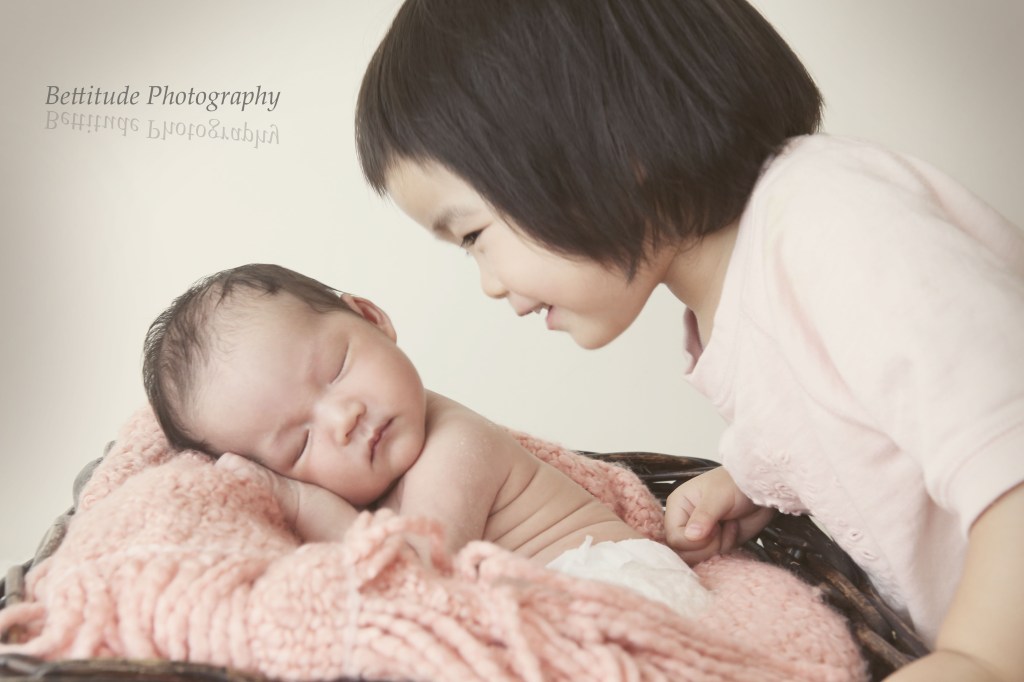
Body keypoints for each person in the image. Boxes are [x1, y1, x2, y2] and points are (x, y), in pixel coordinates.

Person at [354, 1, 1024, 680]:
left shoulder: (828, 224)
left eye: (472, 236)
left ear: (612, 147)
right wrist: (759, 478)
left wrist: (983, 658)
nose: (491, 285)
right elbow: (869, 414)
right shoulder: (734, 303)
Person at [141, 263, 710, 619]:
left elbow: (410, 576)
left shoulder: (454, 446)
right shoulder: (377, 481)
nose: (343, 418)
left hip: (622, 596)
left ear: (371, 317)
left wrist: (299, 502)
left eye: (337, 369)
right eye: (299, 445)